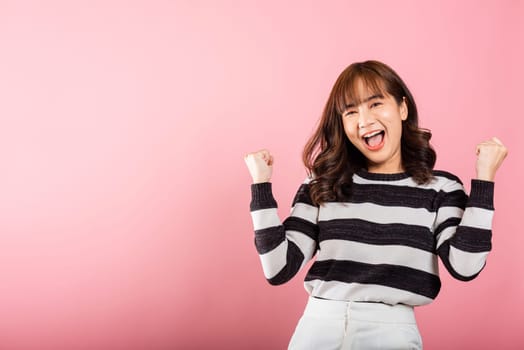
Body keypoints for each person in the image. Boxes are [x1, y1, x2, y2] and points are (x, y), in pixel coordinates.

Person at [243, 60, 507, 350]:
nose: (364, 121)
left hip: (391, 334)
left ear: (402, 108)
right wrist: (261, 185)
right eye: (351, 111)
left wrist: (484, 180)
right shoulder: (324, 183)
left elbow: (465, 266)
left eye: (375, 104)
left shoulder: (441, 188)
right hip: (316, 329)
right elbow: (278, 268)